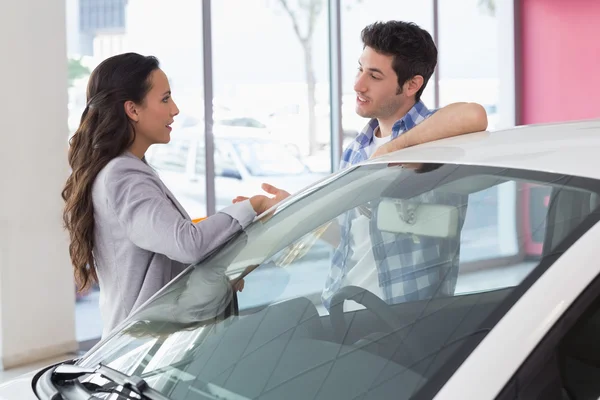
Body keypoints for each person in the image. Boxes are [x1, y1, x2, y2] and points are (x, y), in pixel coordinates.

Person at [236, 20, 488, 308]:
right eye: (360, 69)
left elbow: (474, 115)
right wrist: (298, 211)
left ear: (412, 84)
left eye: (375, 76)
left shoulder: (436, 140)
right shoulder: (357, 149)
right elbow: (349, 238)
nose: (358, 84)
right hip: (345, 307)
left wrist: (393, 150)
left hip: (406, 319)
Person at [61, 52, 285, 338]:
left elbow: (165, 263)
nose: (175, 110)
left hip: (152, 340)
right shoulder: (122, 176)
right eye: (165, 99)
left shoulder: (129, 169)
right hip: (140, 350)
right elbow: (186, 243)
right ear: (133, 109)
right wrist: (255, 206)